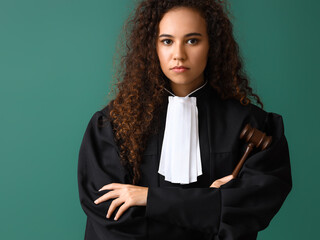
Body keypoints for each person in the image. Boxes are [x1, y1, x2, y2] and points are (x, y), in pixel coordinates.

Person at [77, 0, 292, 239]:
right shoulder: (113, 125)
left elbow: (249, 212)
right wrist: (207, 205)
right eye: (167, 41)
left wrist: (148, 198)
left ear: (212, 45)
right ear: (153, 47)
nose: (178, 55)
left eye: (192, 40)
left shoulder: (251, 124)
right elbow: (111, 223)